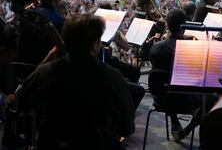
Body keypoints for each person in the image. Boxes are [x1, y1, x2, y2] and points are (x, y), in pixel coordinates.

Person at [19, 14, 135, 150]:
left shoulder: (46, 72)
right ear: (95, 44)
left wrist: (47, 60)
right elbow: (127, 127)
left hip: (52, 144)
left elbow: (22, 98)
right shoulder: (112, 77)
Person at [149, 9, 217, 142]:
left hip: (160, 98)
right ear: (184, 28)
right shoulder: (190, 48)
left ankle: (175, 123)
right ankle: (187, 130)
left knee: (169, 84)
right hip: (184, 100)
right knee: (213, 98)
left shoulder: (156, 47)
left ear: (168, 25)